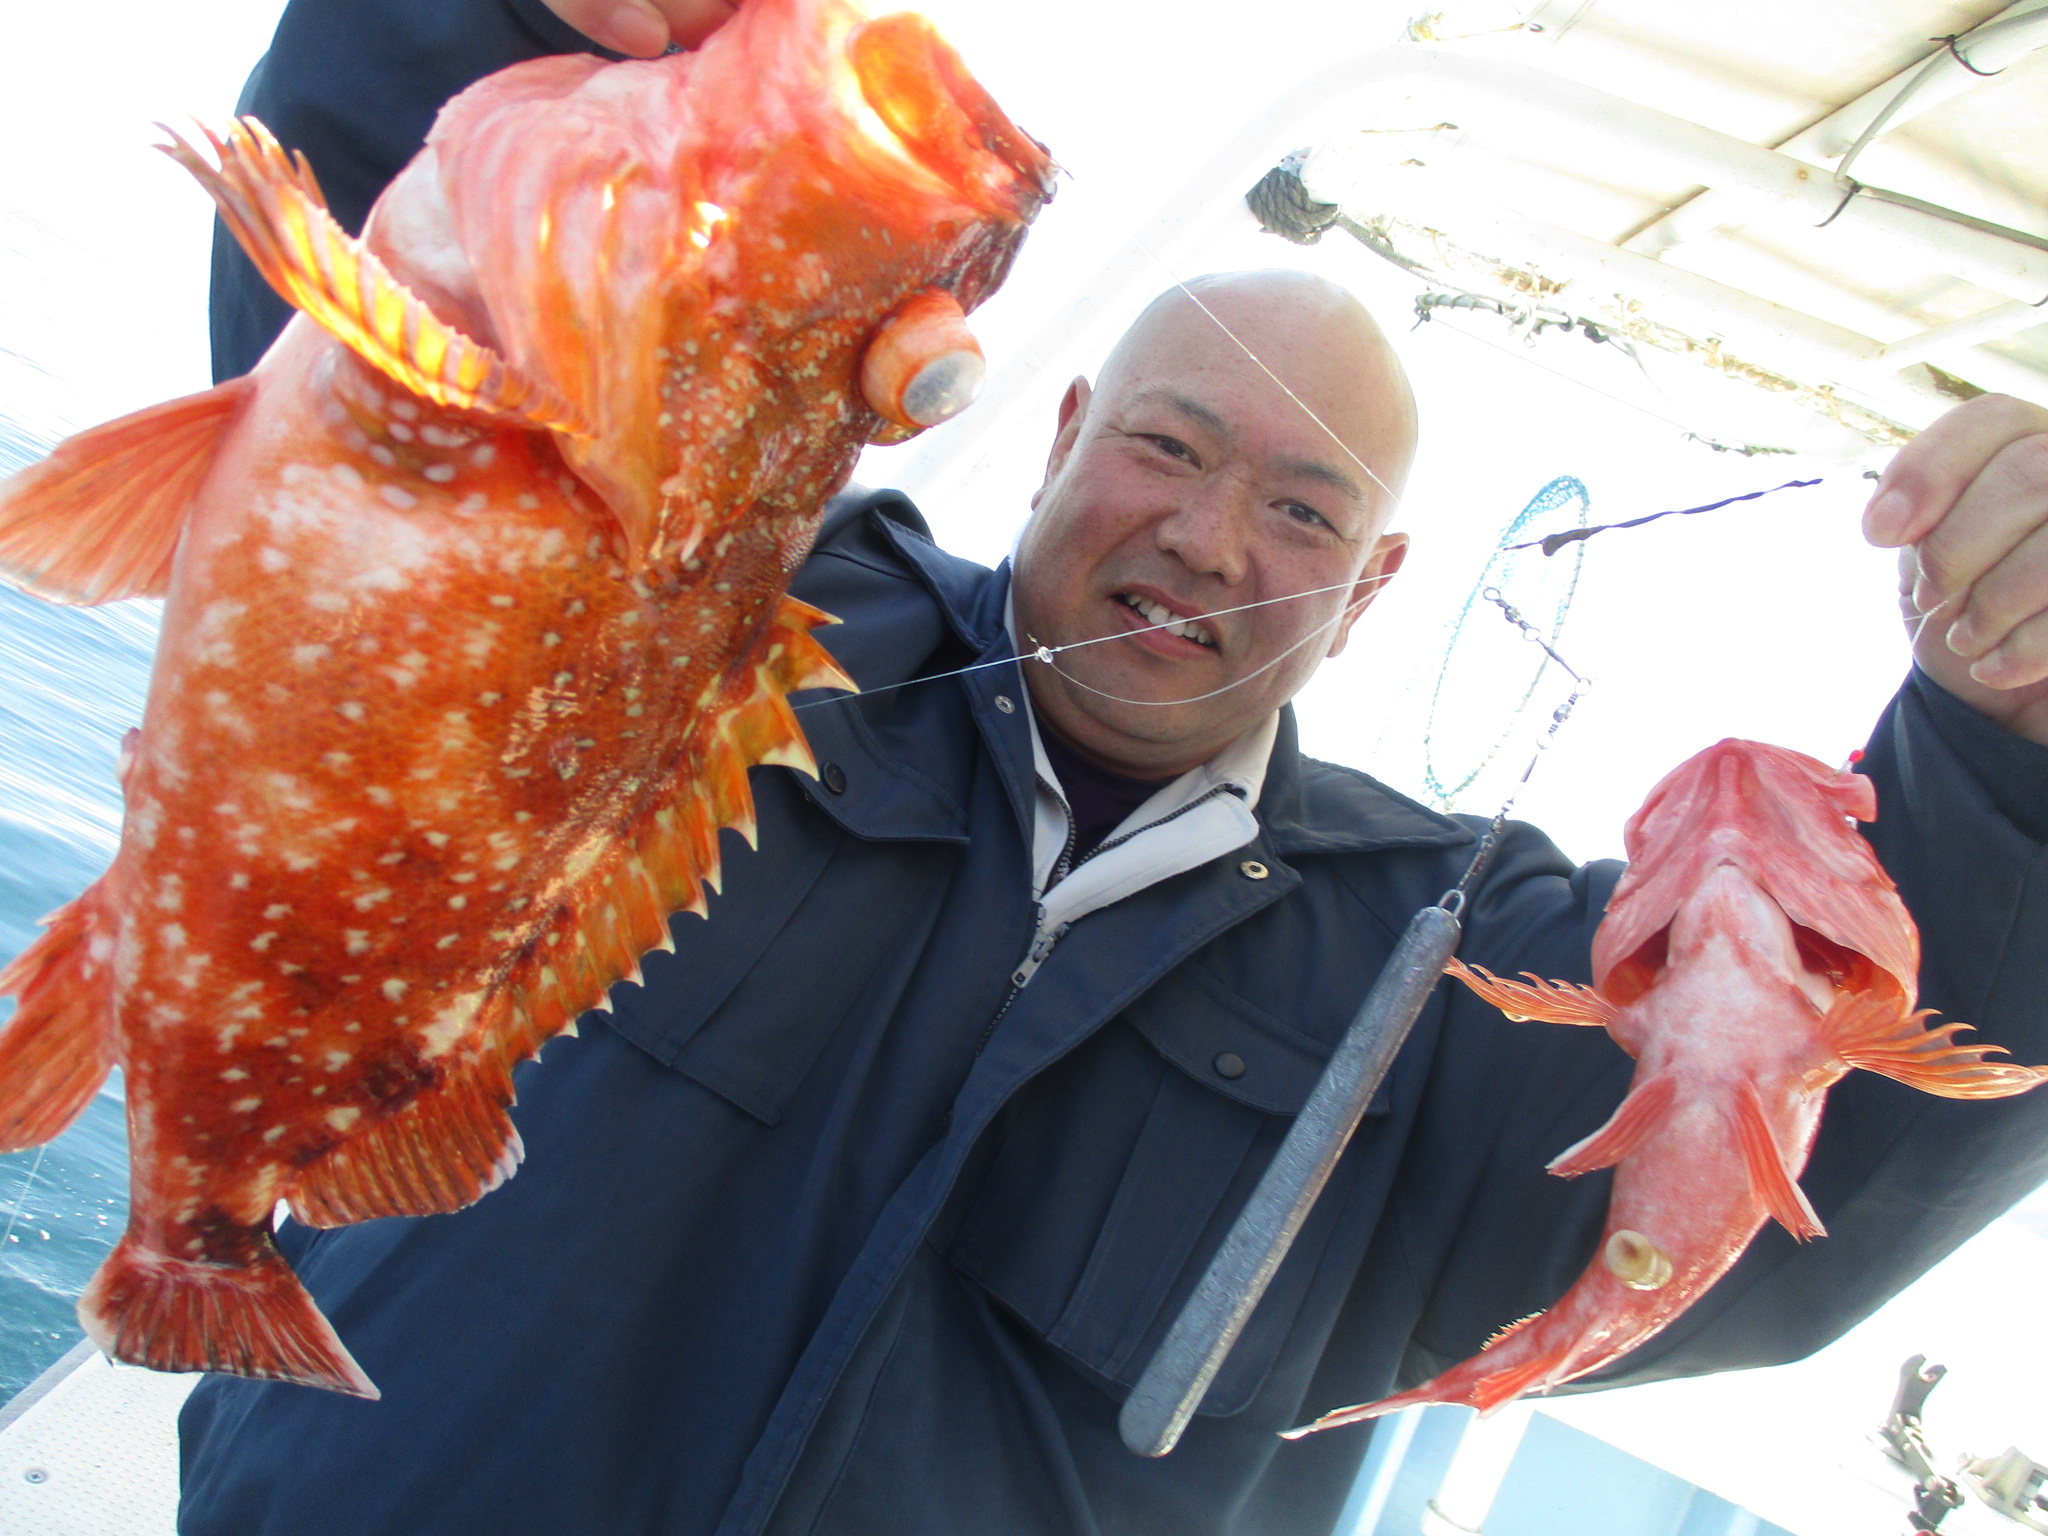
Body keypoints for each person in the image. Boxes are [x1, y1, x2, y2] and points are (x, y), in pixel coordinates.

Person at [177, 3, 2048, 1533]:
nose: (1217, 540)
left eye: (1304, 506)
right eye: (1171, 446)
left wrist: (2011, 739)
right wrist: (510, 31)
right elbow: (403, 401)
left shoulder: (1450, 963)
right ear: (1067, 432)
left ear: (1376, 584)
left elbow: (1826, 1160)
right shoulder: (743, 614)